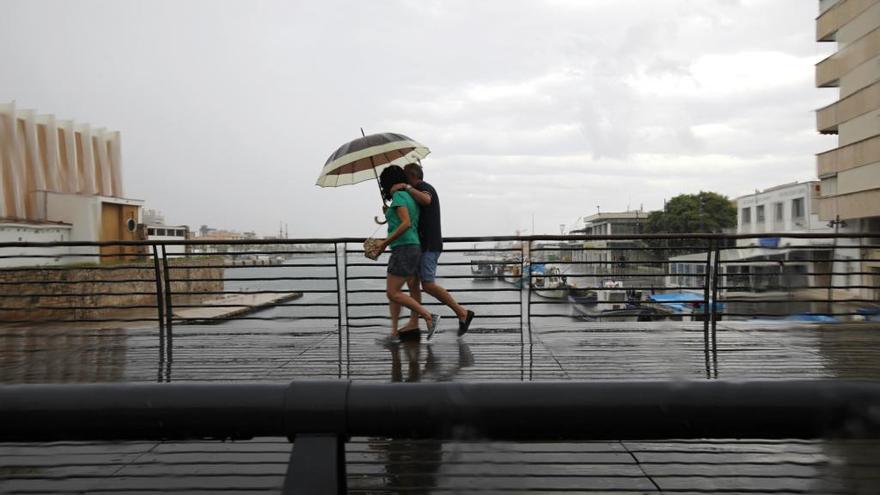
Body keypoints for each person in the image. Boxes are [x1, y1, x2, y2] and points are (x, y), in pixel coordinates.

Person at [391, 162, 474, 339]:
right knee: (414, 283)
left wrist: (406, 187)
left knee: (427, 285)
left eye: (406, 179)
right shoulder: (416, 191)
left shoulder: (423, 187)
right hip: (425, 245)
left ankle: (462, 312)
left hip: (430, 245)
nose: (404, 183)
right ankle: (415, 322)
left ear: (412, 177)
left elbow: (426, 199)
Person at [376, 165, 440, 342]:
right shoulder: (408, 196)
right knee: (400, 291)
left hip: (403, 248)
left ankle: (428, 316)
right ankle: (395, 332)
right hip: (413, 247)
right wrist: (389, 212)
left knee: (392, 292)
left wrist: (384, 243)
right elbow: (405, 218)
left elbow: (405, 223)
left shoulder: (398, 196)